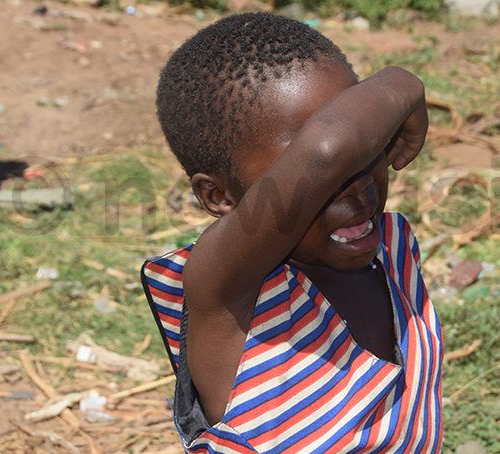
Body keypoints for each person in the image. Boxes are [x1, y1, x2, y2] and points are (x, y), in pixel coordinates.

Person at [143, 11, 443, 454]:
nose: (357, 182)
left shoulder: (394, 251)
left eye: (369, 144)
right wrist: (403, 83)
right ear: (218, 196)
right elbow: (325, 147)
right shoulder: (226, 294)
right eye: (325, 174)